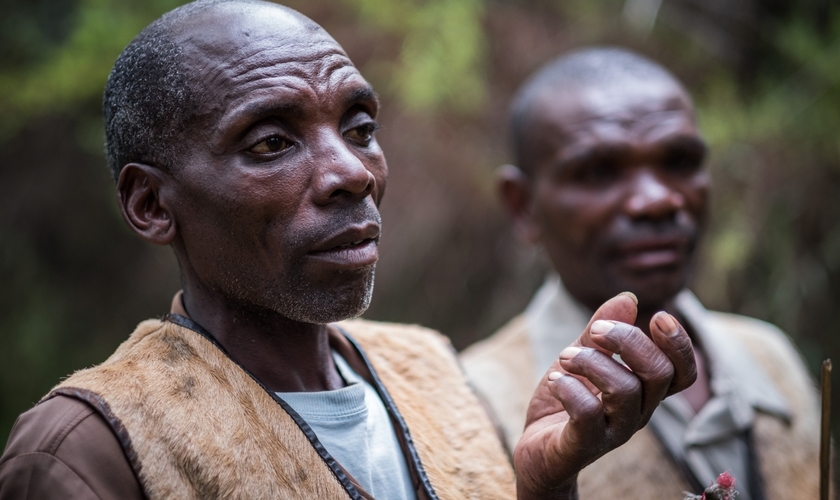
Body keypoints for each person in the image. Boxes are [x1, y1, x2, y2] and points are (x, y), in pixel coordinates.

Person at [0, 4, 697, 499]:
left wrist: (546, 486)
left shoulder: (431, 372)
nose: (353, 172)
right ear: (152, 205)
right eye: (271, 143)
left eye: (360, 127)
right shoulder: (88, 447)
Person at [461, 47, 823, 499]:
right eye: (598, 172)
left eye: (679, 162)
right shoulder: (471, 403)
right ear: (523, 206)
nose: (657, 200)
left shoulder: (770, 360)